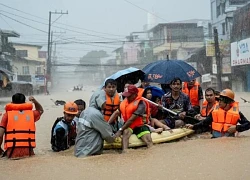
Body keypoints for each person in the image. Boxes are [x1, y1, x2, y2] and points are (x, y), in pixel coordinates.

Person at [186, 89, 250, 138]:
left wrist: (237, 128)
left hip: (229, 141)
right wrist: (193, 126)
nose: (218, 102)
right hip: (215, 139)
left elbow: (248, 124)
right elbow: (205, 122)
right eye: (218, 100)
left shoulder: (237, 113)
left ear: (227, 102)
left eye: (221, 100)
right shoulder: (214, 112)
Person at [109, 85, 153, 152]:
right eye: (126, 95)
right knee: (126, 132)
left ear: (135, 94)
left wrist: (120, 130)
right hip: (128, 125)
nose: (127, 97)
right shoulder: (123, 102)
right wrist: (107, 124)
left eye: (129, 95)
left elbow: (132, 119)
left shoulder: (141, 103)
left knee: (148, 141)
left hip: (139, 125)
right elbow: (116, 113)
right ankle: (125, 152)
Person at [0, 93, 44, 159]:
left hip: (12, 152)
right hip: (29, 152)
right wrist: (35, 101)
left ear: (12, 102)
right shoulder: (31, 114)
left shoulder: (7, 115)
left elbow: (0, 134)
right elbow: (40, 110)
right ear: (24, 102)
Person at [74, 90, 116, 157]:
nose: (106, 103)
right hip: (88, 152)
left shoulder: (85, 112)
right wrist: (117, 134)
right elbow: (108, 136)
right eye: (104, 100)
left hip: (80, 150)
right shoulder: (95, 114)